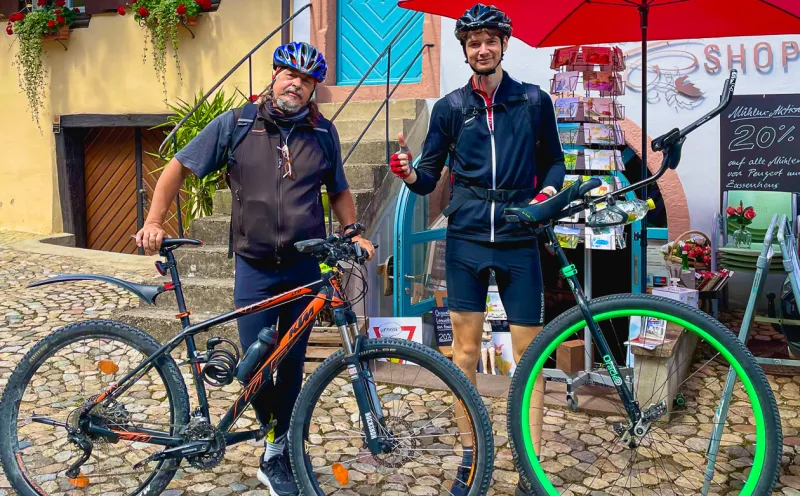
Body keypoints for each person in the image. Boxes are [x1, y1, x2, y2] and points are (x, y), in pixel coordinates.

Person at [135, 41, 374, 496]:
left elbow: (339, 189)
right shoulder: (237, 124)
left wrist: (353, 231)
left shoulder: (323, 134)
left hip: (304, 266)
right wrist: (153, 221)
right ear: (274, 75)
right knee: (254, 365)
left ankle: (277, 450)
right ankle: (277, 438)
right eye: (290, 75)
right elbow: (178, 167)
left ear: (313, 90)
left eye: (306, 81)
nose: (296, 85)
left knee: (293, 363)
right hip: (255, 266)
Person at [389, 4, 565, 495]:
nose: (482, 49)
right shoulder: (448, 108)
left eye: (490, 40)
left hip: (518, 238)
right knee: (463, 352)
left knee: (529, 355)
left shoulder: (533, 101)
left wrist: (545, 198)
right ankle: (471, 455)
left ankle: (529, 460)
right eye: (473, 43)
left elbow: (554, 163)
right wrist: (408, 173)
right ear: (465, 51)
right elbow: (428, 179)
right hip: (465, 238)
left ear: (504, 44)